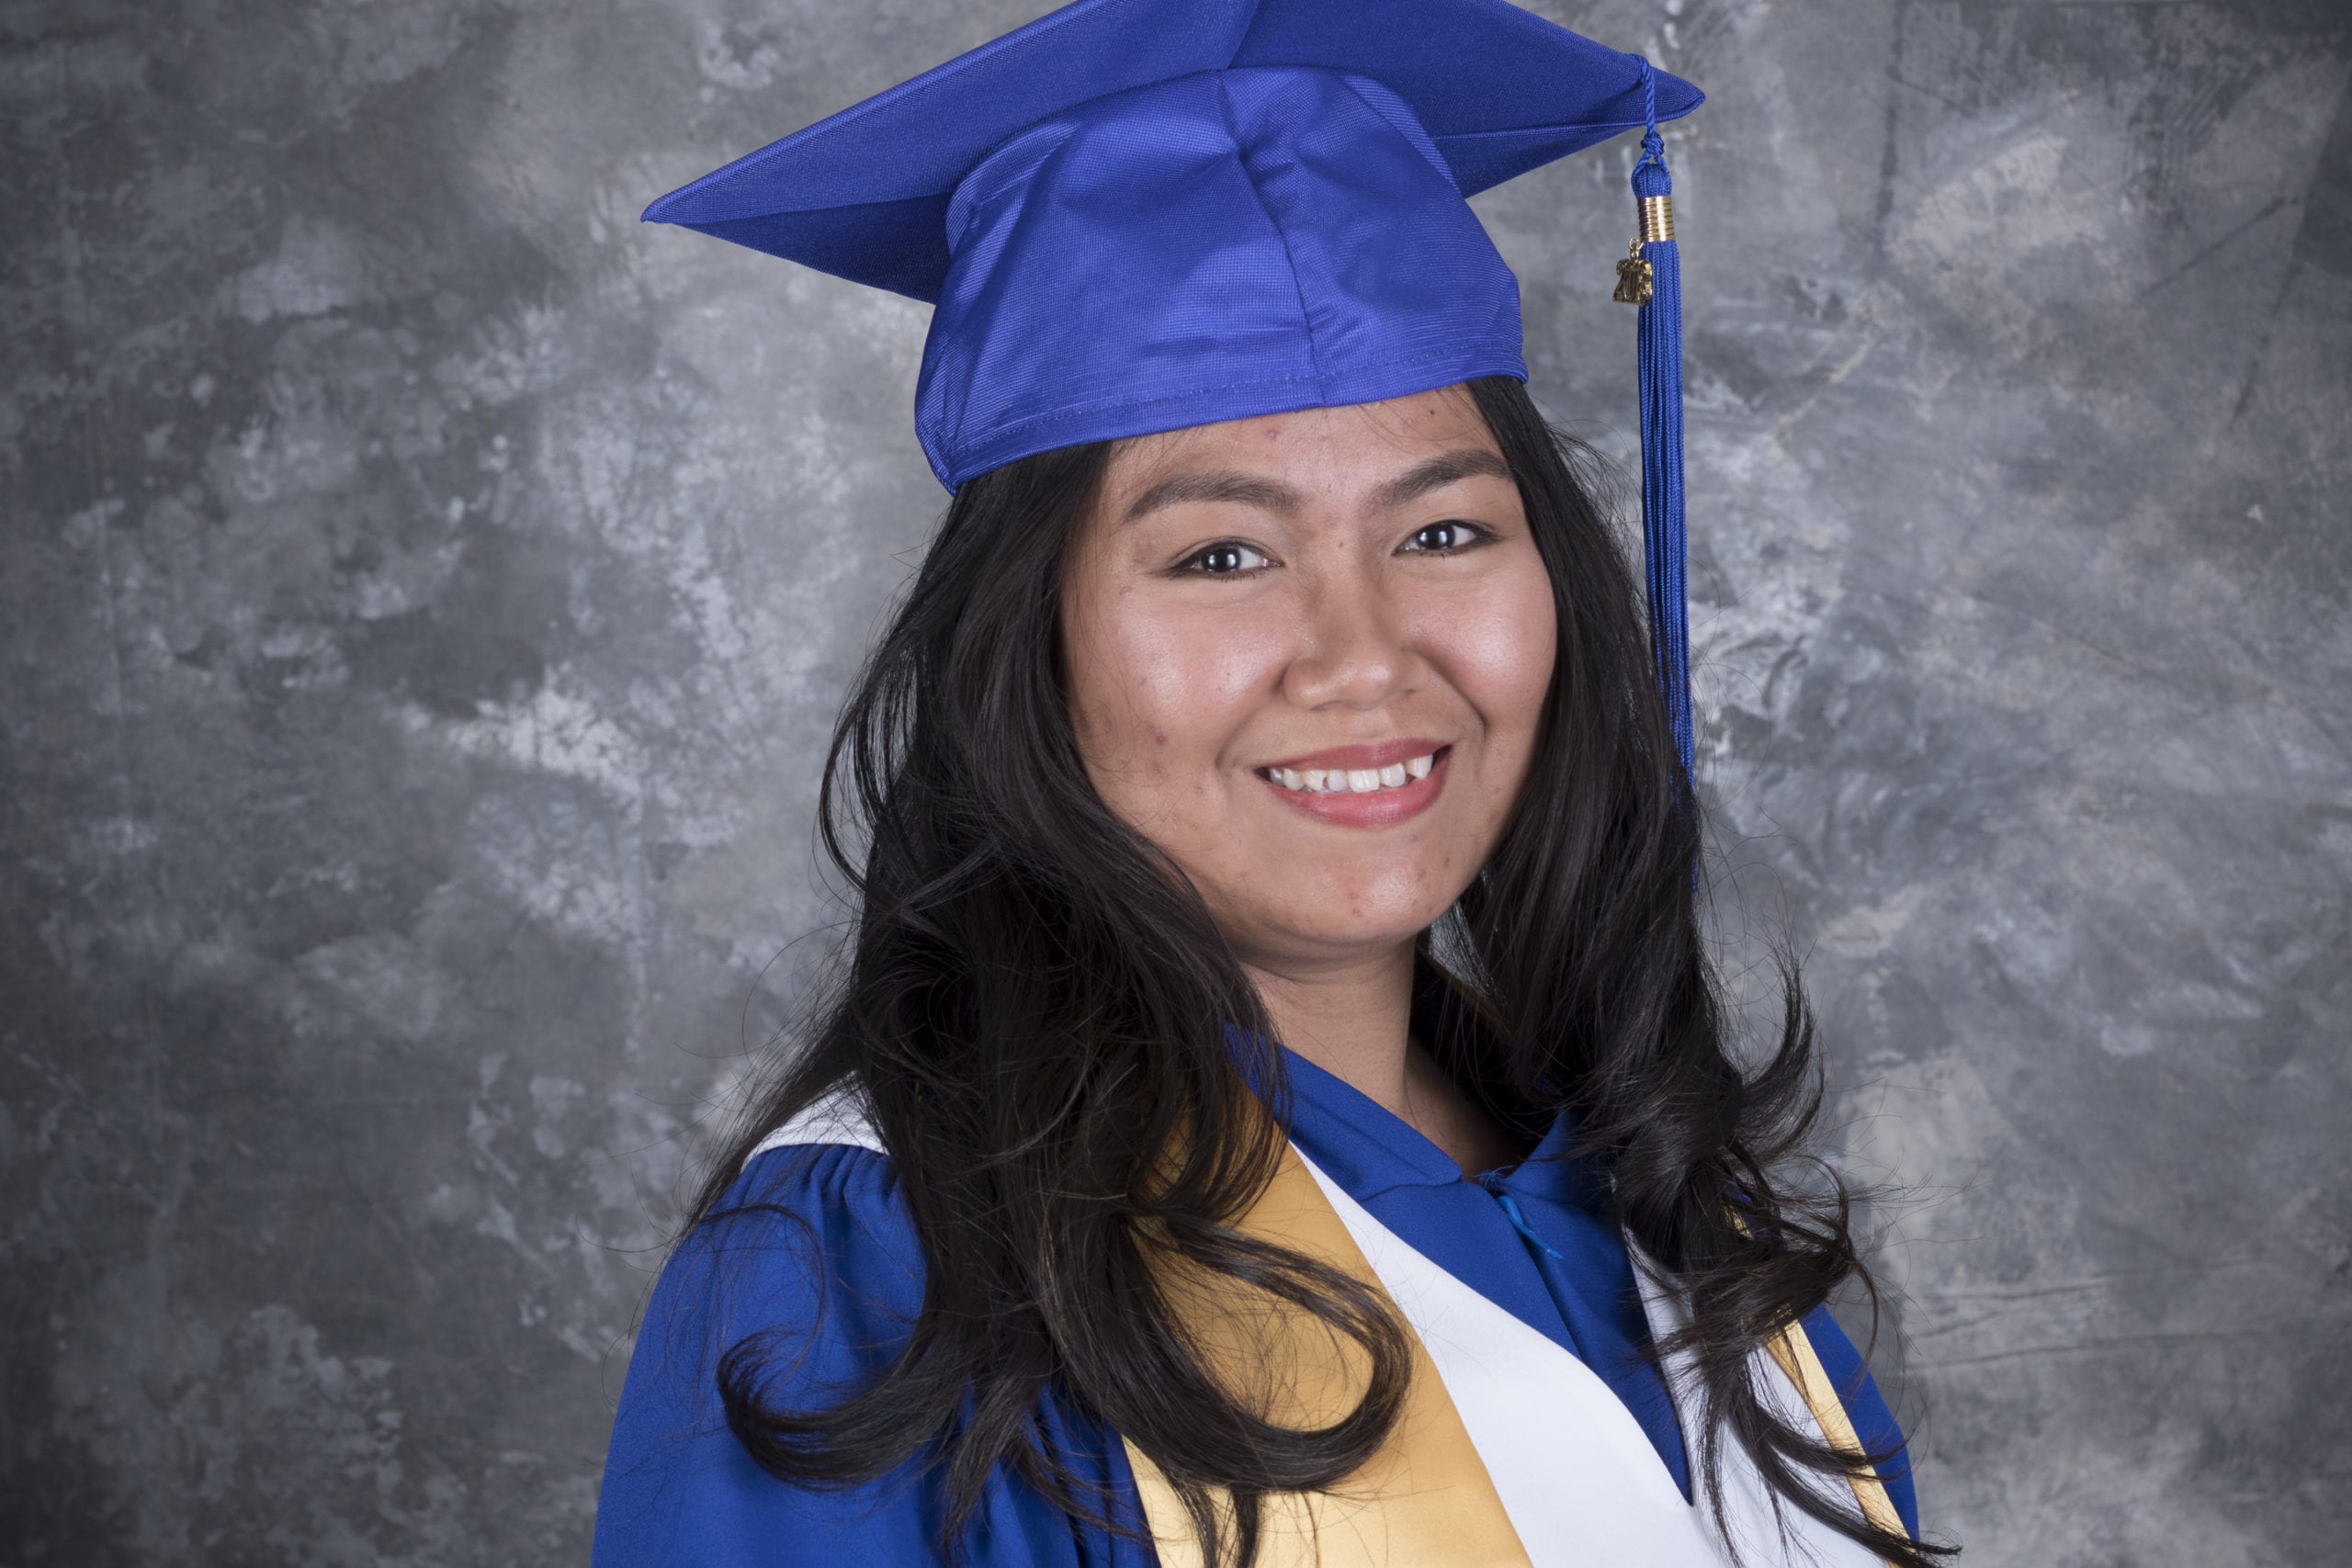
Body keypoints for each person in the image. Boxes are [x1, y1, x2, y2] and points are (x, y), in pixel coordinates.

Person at [594, 2, 1941, 1564]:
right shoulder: (871, 1271)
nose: (1362, 658)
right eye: (1220, 554)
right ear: (1023, 649)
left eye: (1443, 532)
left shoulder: (1661, 1201)